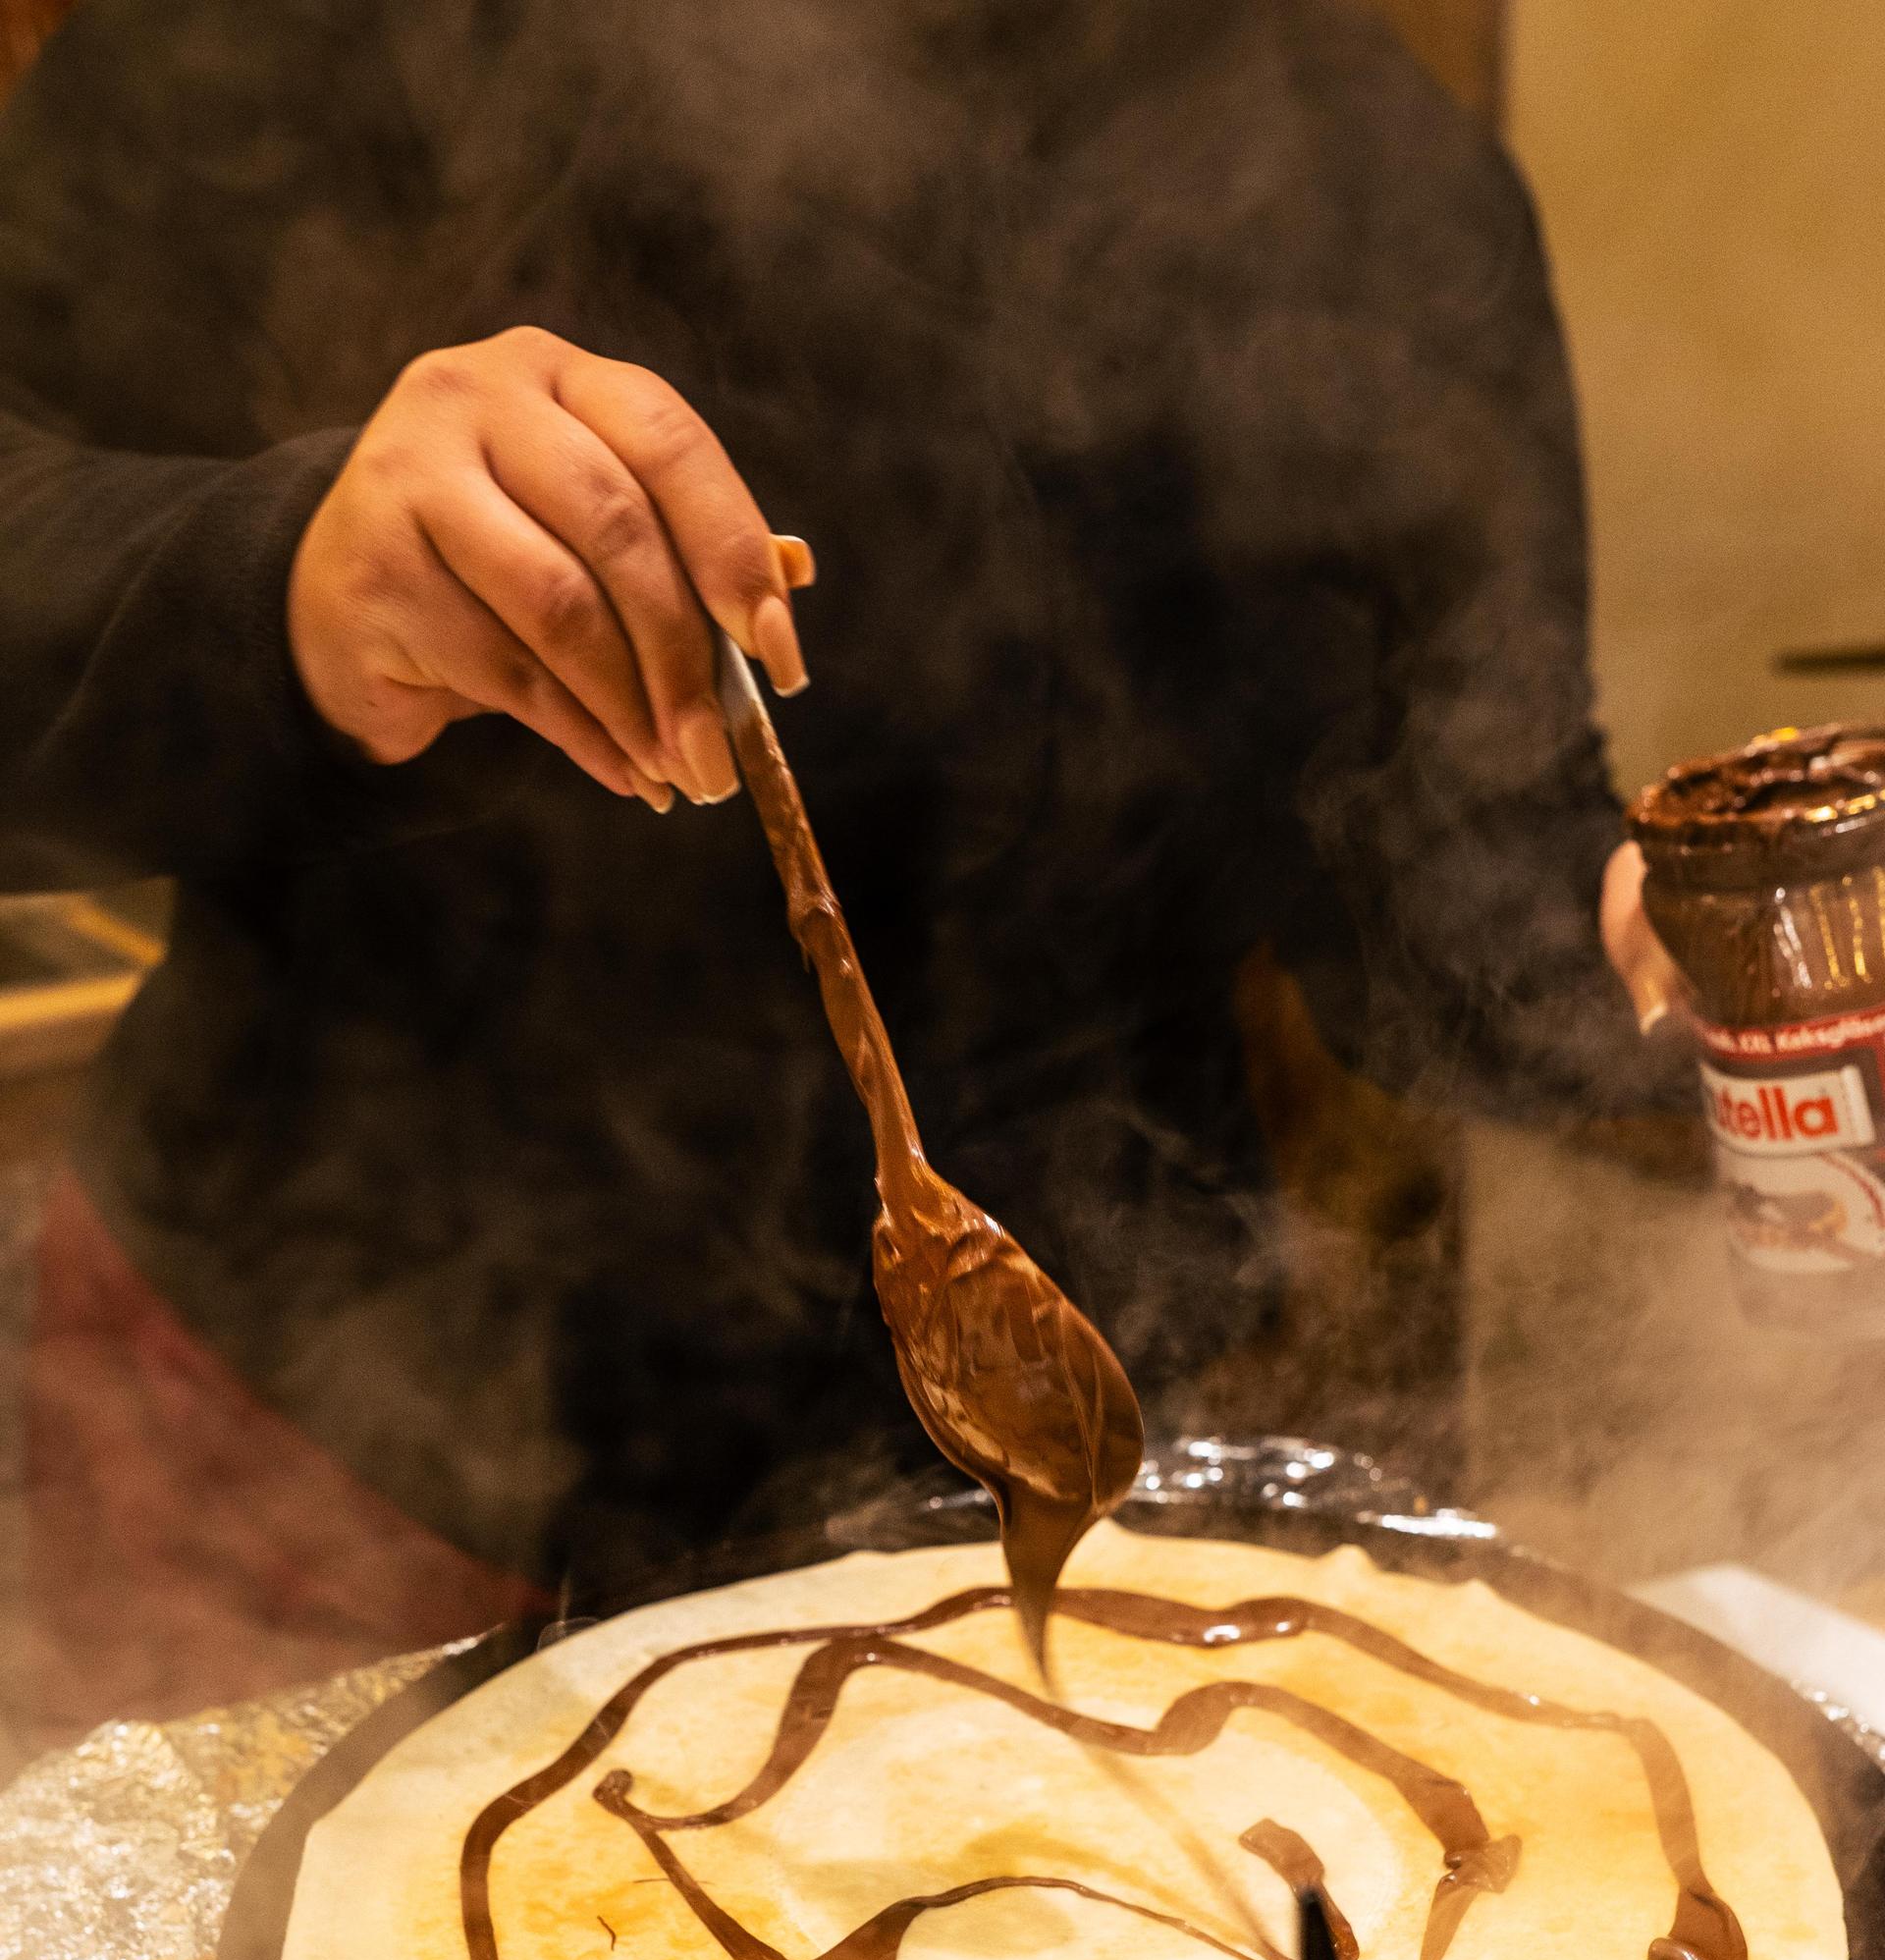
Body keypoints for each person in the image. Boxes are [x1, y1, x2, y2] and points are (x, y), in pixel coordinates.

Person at [0, 0, 1666, 1732]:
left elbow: (1458, 881)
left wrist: (1683, 961)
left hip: (1039, 1502)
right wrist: (286, 576)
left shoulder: (1382, 178)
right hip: (321, 1471)